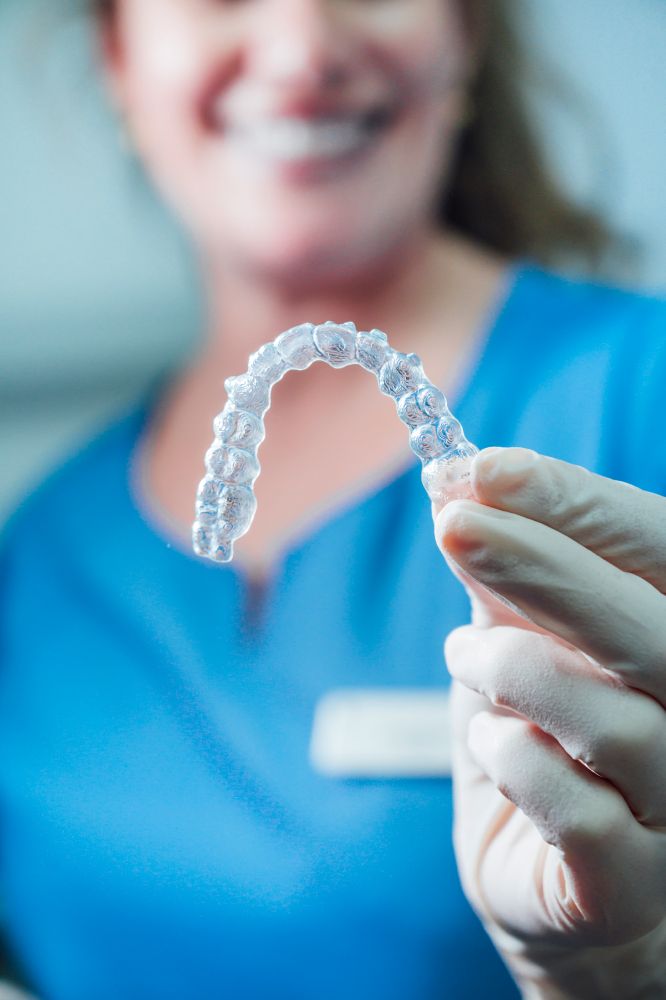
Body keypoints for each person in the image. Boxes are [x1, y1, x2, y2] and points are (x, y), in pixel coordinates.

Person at [1, 0, 664, 996]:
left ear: (464, 34)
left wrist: (625, 977)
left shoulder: (639, 402)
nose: (301, 47)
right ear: (118, 52)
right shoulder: (38, 557)